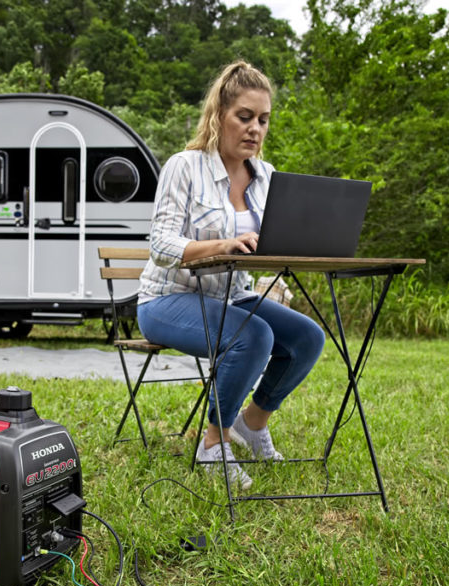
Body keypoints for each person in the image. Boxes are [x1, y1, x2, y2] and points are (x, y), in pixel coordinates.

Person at [136, 61, 326, 488]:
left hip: (233, 296)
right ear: (218, 114)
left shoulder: (268, 177)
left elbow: (273, 242)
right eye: (244, 117)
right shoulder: (184, 167)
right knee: (253, 335)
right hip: (166, 299)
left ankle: (252, 424)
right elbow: (161, 245)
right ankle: (211, 443)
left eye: (263, 120)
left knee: (307, 338)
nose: (255, 128)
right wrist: (222, 245)